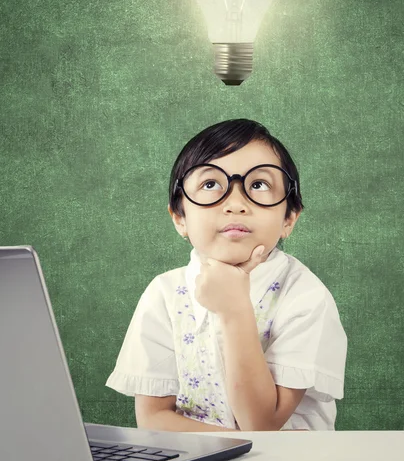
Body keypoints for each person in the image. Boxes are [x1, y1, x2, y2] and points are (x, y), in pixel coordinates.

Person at [106, 119, 347, 431]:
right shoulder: (164, 293)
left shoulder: (306, 297)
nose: (236, 204)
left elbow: (262, 427)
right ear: (180, 218)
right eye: (210, 185)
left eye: (259, 185)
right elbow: (153, 418)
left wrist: (234, 310)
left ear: (289, 217)